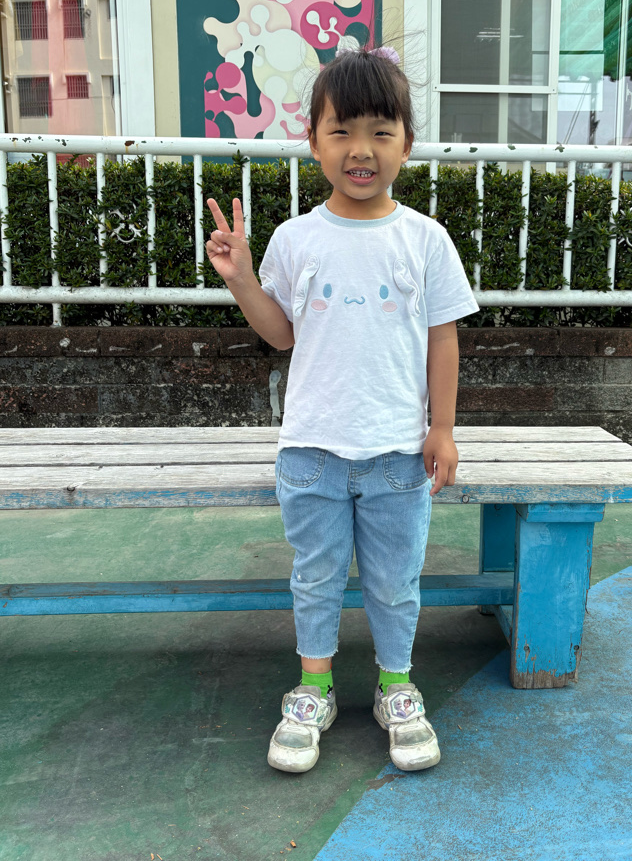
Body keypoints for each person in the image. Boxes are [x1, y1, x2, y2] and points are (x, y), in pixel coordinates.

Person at [205, 43, 479, 774]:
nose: (362, 150)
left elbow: (443, 340)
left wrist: (442, 429)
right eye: (342, 131)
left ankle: (396, 687)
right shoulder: (295, 239)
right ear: (314, 141)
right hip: (312, 452)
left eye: (381, 132)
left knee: (394, 582)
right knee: (316, 578)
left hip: (397, 454)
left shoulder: (426, 240)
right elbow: (281, 334)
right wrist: (241, 279)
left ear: (407, 144)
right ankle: (314, 689)